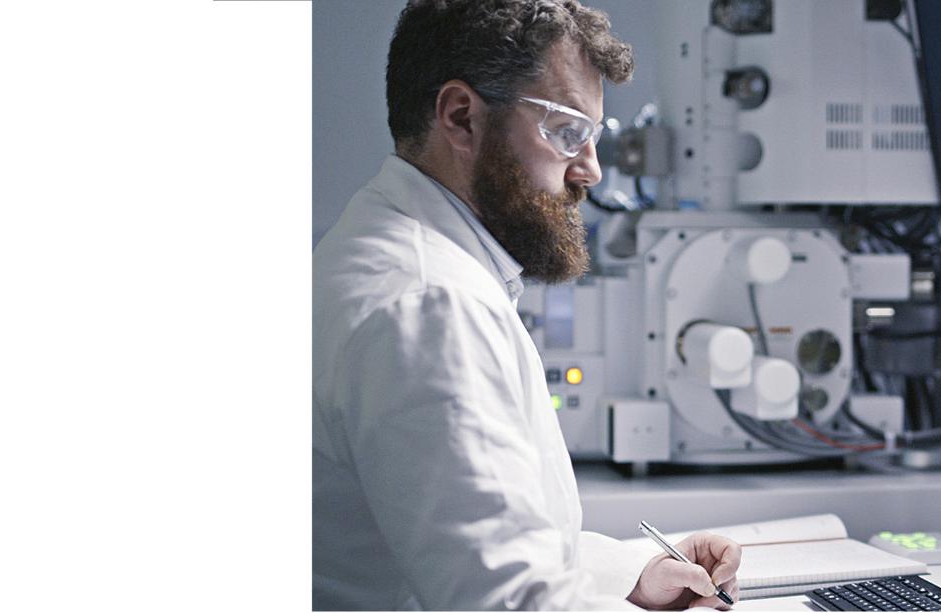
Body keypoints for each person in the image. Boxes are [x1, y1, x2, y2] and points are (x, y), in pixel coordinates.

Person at [313, 0, 742, 609]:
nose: (591, 170)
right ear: (461, 118)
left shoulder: (399, 254)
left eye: (595, 137)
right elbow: (509, 601)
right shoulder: (430, 303)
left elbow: (471, 545)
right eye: (569, 132)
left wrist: (629, 572)